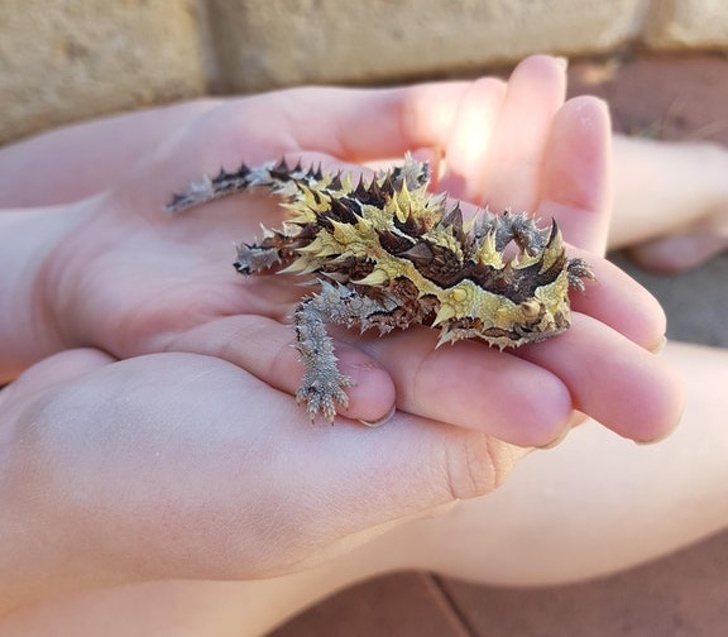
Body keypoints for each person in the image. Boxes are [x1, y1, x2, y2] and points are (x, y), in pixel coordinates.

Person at [0, 55, 722, 636]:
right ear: (462, 319)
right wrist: (320, 370)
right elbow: (315, 310)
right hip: (337, 230)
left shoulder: (489, 258)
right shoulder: (387, 306)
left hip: (389, 213)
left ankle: (710, 182)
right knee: (436, 479)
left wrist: (44, 262)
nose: (539, 327)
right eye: (517, 325)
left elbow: (519, 230)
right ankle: (710, 183)